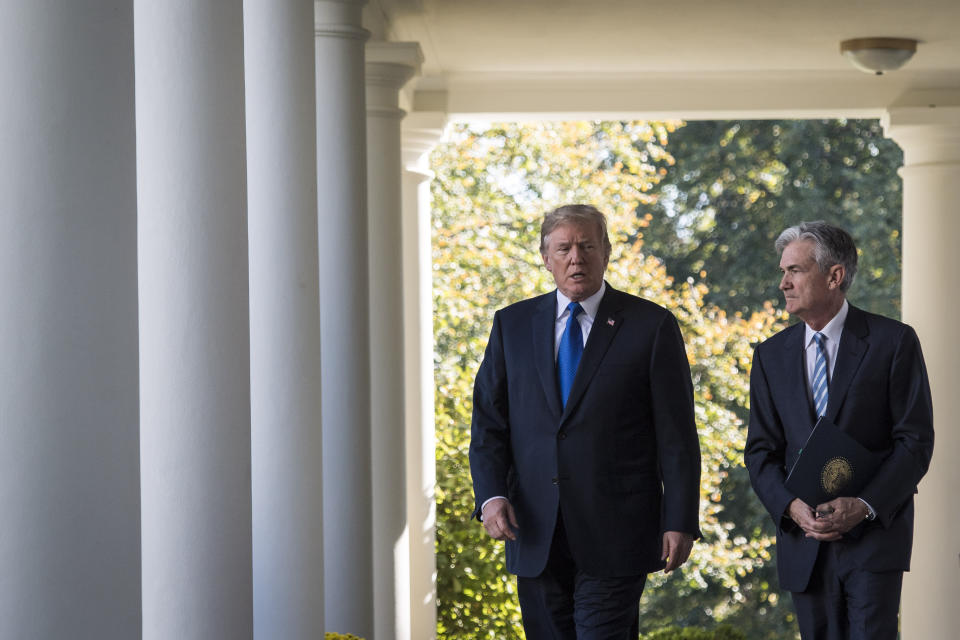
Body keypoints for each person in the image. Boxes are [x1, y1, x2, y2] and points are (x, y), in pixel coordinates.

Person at [469, 204, 701, 639]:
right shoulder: (511, 326)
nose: (576, 258)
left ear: (606, 252)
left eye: (587, 246)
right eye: (564, 248)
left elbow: (677, 436)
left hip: (619, 531)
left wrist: (680, 518)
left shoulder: (651, 326)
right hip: (533, 528)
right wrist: (491, 495)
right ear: (546, 257)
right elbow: (489, 424)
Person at [745, 221, 934, 640]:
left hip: (873, 539)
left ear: (835, 276)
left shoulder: (894, 342)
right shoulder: (769, 356)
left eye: (795, 270)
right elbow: (760, 452)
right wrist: (791, 507)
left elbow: (915, 442)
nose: (783, 283)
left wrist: (865, 504)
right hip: (804, 543)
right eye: (783, 271)